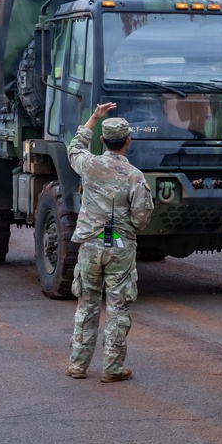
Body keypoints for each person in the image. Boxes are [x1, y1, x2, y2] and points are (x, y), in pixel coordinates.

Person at [66, 102, 154, 383]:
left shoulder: (89, 165)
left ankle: (78, 365)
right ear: (128, 141)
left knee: (87, 304)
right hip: (120, 246)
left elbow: (74, 148)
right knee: (118, 307)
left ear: (103, 141)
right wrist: (125, 229)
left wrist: (93, 117)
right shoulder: (134, 176)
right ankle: (112, 368)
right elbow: (142, 217)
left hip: (90, 244)